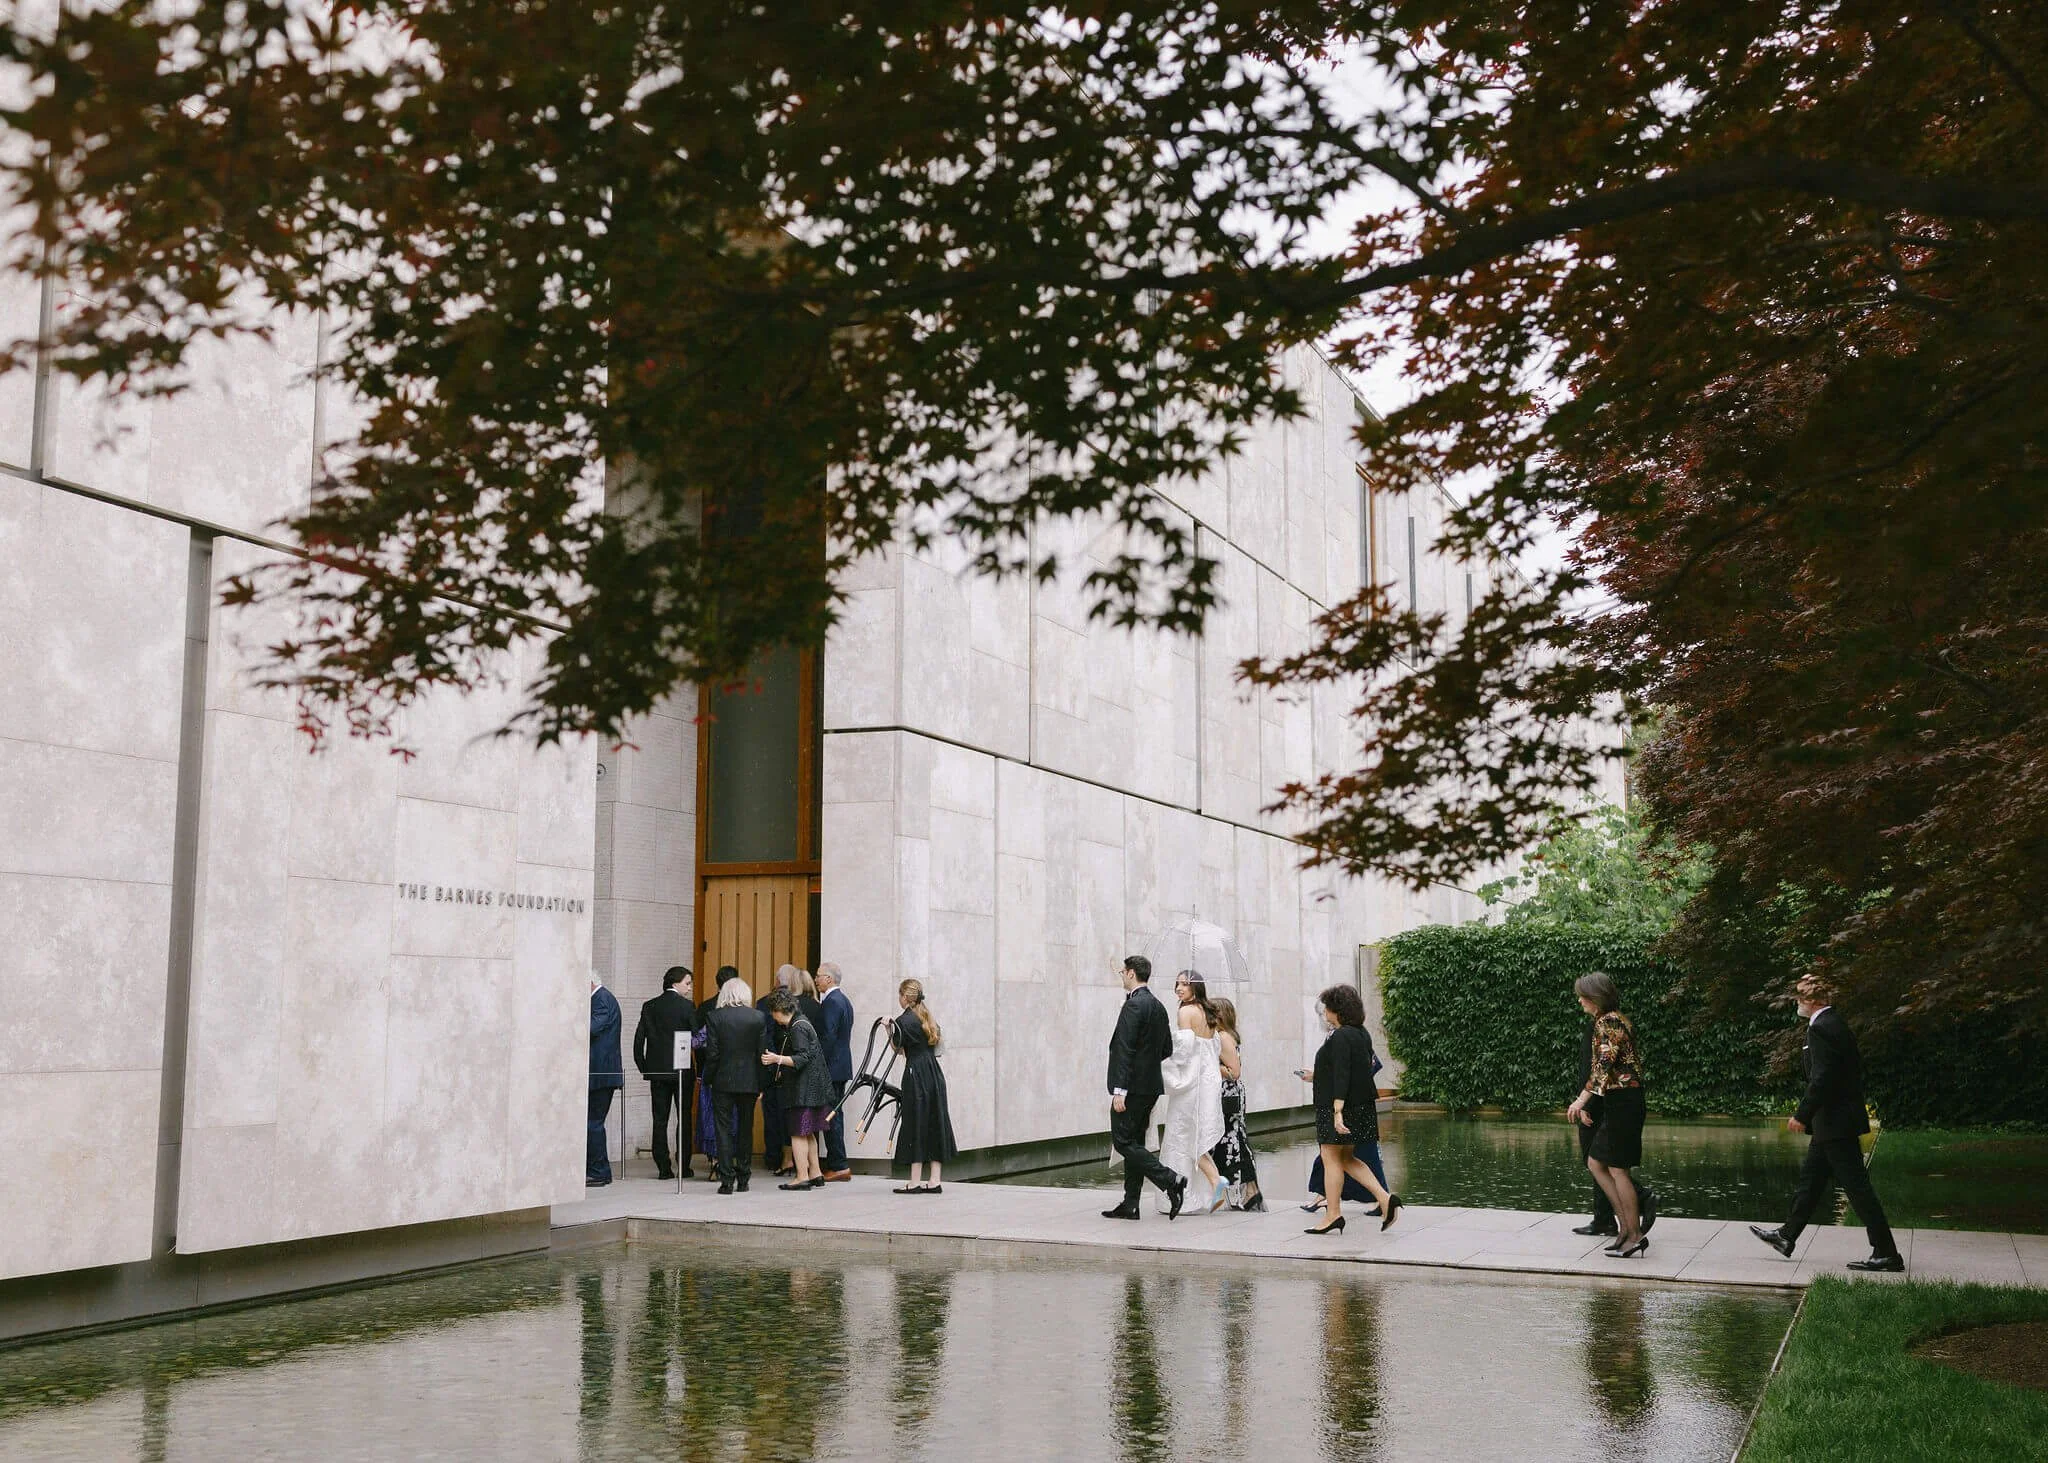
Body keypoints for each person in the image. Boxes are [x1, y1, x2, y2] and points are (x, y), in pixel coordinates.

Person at [1750, 975, 1904, 1272]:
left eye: (1799, 997)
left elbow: (1823, 1078)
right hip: (1832, 1123)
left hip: (1835, 1122)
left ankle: (1887, 1253)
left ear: (1811, 1000)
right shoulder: (1833, 1023)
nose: (1796, 1002)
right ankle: (1786, 1236)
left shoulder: (1821, 1027)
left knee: (1857, 1188)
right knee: (1811, 1181)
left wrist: (1802, 1114)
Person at [1299, 984, 1400, 1235]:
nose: (1325, 1013)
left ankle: (1333, 1214)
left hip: (1339, 1107)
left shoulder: (1340, 1036)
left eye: (1327, 1008)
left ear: (1338, 1010)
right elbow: (1354, 1071)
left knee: (1331, 1157)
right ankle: (1385, 1198)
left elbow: (1343, 1074)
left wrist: (1337, 1111)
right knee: (1346, 1159)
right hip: (1360, 1105)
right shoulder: (1361, 1034)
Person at [1564, 972, 1649, 1259]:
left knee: (1617, 1169)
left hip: (1624, 1102)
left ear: (1595, 997)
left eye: (1583, 996)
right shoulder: (1610, 1020)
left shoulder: (1609, 1022)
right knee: (1596, 1162)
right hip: (1619, 1101)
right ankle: (1625, 1229)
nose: (1580, 1000)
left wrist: (1580, 1101)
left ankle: (1634, 1235)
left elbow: (1602, 1067)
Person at [1102, 955, 1187, 1221]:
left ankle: (1171, 1180)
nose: (1121, 977)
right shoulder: (1158, 1006)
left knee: (1123, 1141)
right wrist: (1146, 1065)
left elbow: (1124, 1049)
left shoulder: (1133, 1005)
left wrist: (1120, 1090)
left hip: (1131, 1088)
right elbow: (1167, 1049)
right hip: (1150, 1087)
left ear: (1131, 973)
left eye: (1122, 972)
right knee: (1135, 1142)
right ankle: (1131, 1204)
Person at [1157, 972, 1227, 1214]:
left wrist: (1162, 1057)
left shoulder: (1185, 1012)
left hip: (1191, 1082)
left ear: (1195, 987)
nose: (1179, 988)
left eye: (1185, 984)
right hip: (1208, 1081)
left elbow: (1183, 1052)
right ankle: (1212, 1182)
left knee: (1183, 1134)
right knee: (1194, 1133)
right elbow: (1213, 1048)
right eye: (1177, 983)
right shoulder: (1208, 1012)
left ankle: (1211, 1182)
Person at [890, 979, 957, 1193]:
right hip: (934, 1074)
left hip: (915, 1073)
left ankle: (914, 1181)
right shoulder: (928, 1017)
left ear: (905, 997)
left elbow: (898, 1049)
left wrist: (888, 1029)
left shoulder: (902, 1021)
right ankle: (935, 1180)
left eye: (900, 995)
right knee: (935, 1121)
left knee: (915, 1122)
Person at [703, 972, 766, 1195]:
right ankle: (744, 1177)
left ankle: (727, 1179)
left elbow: (712, 1054)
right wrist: (761, 1084)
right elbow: (761, 1053)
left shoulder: (715, 1017)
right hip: (749, 1081)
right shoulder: (758, 1017)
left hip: (723, 1080)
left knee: (723, 1129)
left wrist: (708, 1079)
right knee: (745, 1129)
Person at [762, 989, 832, 1189]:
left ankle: (802, 1176)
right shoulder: (802, 1022)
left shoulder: (797, 1028)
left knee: (797, 1133)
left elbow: (802, 1057)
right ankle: (816, 1173)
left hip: (802, 1090)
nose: (773, 1017)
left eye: (773, 1012)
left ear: (778, 1010)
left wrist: (777, 1059)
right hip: (812, 1088)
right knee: (808, 1132)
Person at [632, 966, 697, 1181]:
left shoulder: (649, 1006)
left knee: (659, 1119)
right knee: (684, 1117)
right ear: (675, 983)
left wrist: (644, 1067)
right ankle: (684, 1165)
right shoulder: (687, 1007)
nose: (690, 988)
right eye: (687, 983)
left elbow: (638, 1040)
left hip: (657, 1071)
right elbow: (697, 1037)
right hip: (682, 1071)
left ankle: (663, 1167)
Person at [1209, 998, 1264, 1211]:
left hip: (1228, 1094)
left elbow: (1234, 1072)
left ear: (1221, 1016)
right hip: (1227, 1093)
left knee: (1234, 1139)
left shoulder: (1224, 1037)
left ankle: (1250, 1190)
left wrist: (1211, 1063)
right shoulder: (1224, 1036)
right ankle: (1248, 1190)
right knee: (1234, 1139)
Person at [814, 963, 856, 1180]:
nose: (816, 980)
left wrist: (816, 1064)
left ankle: (838, 1164)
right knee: (834, 1115)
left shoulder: (831, 1002)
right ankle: (838, 1163)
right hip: (840, 1067)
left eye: (819, 976)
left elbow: (827, 1038)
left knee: (830, 1115)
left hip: (830, 1068)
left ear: (829, 979)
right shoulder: (844, 1000)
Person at [759, 966, 798, 1176]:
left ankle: (773, 1158)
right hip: (791, 1068)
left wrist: (771, 1063)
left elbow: (763, 1038)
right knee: (790, 1115)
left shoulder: (762, 1003)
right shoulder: (797, 1004)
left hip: (770, 1066)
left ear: (776, 981)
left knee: (772, 1115)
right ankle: (792, 1159)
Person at [588, 972, 624, 1187]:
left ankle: (598, 1172)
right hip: (600, 1073)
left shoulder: (601, 999)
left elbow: (591, 1028)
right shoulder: (603, 998)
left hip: (600, 1073)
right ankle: (597, 1170)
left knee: (592, 1123)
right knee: (592, 1123)